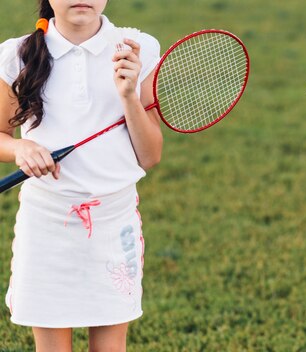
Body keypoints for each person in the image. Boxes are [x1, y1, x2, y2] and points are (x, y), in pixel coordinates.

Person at [0, 0, 162, 350]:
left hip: (112, 225)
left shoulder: (138, 49)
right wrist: (20, 149)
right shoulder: (17, 56)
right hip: (45, 227)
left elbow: (150, 155)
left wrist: (128, 95)